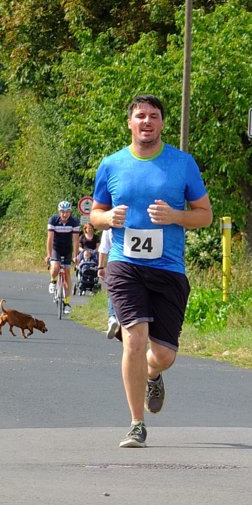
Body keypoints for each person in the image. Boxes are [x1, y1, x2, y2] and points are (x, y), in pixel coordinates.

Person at [90, 94, 212, 448]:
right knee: (134, 338)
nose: (146, 121)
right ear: (129, 122)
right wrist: (106, 218)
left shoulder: (182, 163)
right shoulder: (111, 165)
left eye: (153, 116)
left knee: (162, 354)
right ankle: (135, 423)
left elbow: (204, 214)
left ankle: (153, 373)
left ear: (161, 124)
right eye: (140, 116)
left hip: (168, 267)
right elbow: (95, 213)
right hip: (124, 262)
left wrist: (176, 216)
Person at [45, 200, 81, 314]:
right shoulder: (53, 220)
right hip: (56, 248)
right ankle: (53, 281)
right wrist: (49, 255)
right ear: (59, 212)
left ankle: (66, 302)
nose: (64, 214)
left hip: (67, 249)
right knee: (55, 267)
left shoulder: (74, 221)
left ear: (70, 212)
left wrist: (75, 256)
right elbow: (50, 239)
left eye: (67, 212)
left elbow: (76, 241)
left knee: (67, 274)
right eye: (62, 212)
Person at [97, 228, 120, 339]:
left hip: (115, 263)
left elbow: (103, 248)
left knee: (112, 291)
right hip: (134, 264)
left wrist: (100, 267)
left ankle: (112, 317)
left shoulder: (110, 224)